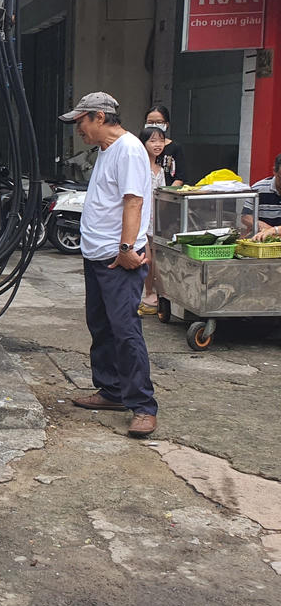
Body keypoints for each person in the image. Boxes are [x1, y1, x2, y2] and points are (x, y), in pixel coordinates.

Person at [59, 92, 159, 438]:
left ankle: (143, 406)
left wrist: (127, 248)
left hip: (118, 258)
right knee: (101, 326)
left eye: (81, 121)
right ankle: (111, 391)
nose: (78, 129)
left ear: (99, 117)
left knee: (125, 331)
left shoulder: (129, 149)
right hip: (98, 255)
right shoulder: (105, 150)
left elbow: (133, 201)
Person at [138, 126, 167, 315]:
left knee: (156, 258)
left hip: (156, 220)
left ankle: (153, 294)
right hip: (141, 218)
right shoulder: (140, 167)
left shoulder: (160, 169)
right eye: (153, 141)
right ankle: (147, 293)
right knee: (146, 258)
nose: (157, 145)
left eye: (161, 140)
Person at [144, 105, 184, 186]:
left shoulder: (175, 147)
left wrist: (166, 193)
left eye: (159, 122)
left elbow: (180, 177)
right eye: (150, 122)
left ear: (167, 124)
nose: (154, 125)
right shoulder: (139, 146)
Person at [244, 153, 281, 241]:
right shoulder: (258, 188)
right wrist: (266, 229)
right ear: (274, 172)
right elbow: (246, 216)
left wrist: (274, 230)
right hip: (262, 240)